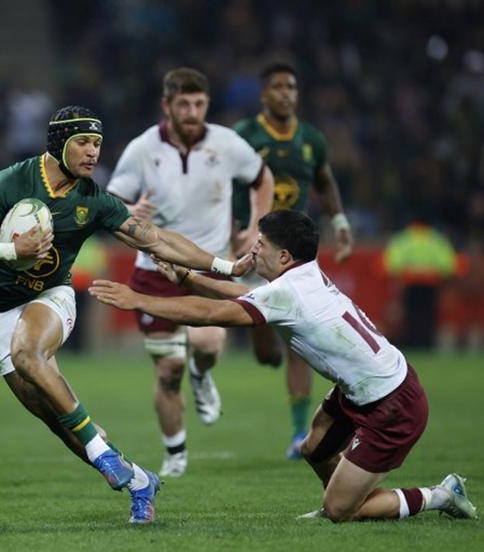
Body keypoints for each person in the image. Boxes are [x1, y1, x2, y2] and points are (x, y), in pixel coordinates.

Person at [0, 105, 251, 524]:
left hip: (52, 296)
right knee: (58, 421)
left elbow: (156, 240)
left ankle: (105, 457)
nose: (93, 152)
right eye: (83, 142)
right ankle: (139, 480)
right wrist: (10, 250)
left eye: (98, 144)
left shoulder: (95, 199)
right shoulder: (13, 181)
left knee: (28, 353)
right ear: (59, 143)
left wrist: (225, 266)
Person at [90, 209, 477, 523]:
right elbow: (248, 295)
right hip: (365, 386)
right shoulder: (301, 277)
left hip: (391, 404)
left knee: (344, 511)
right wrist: (189, 278)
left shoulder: (289, 292)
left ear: (284, 256)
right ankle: (340, 499)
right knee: (314, 448)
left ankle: (439, 495)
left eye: (261, 245)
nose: (253, 251)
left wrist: (138, 299)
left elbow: (213, 314)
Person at [107, 67, 275, 477]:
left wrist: (256, 225)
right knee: (168, 370)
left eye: (199, 104)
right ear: (167, 105)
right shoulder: (143, 149)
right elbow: (109, 202)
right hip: (154, 269)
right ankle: (176, 456)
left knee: (206, 346)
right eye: (183, 104)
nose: (192, 111)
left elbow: (262, 178)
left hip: (211, 266)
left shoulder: (227, 144)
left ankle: (202, 375)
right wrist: (128, 211)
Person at [231, 60, 354, 459]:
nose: (286, 93)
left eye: (292, 87)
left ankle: (300, 435)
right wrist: (233, 225)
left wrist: (338, 219)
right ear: (264, 94)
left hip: (294, 252)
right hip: (254, 244)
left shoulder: (311, 139)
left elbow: (323, 179)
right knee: (268, 353)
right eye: (279, 87)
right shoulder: (244, 136)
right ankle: (264, 342)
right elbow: (221, 180)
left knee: (299, 343)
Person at [382, 215, 458, 348]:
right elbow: (448, 266)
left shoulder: (402, 239)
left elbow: (392, 265)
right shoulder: (437, 240)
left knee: (410, 315)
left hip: (409, 284)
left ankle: (411, 343)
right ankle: (427, 343)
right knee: (428, 315)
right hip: (430, 285)